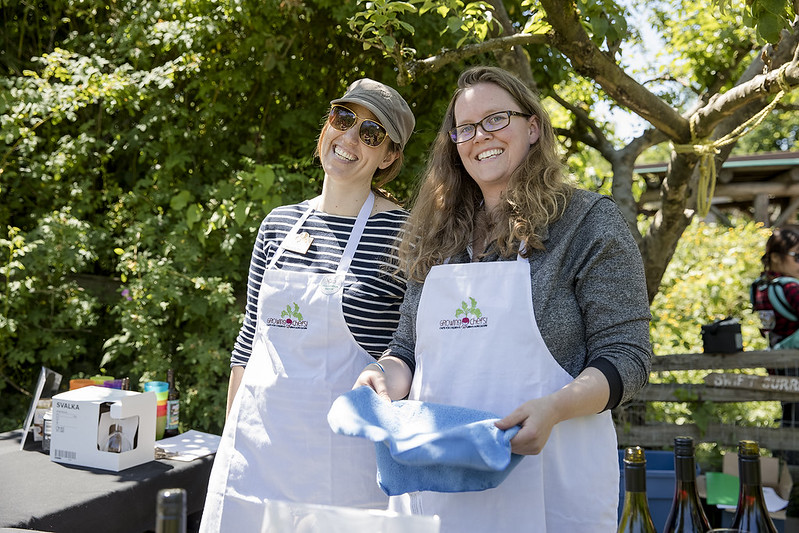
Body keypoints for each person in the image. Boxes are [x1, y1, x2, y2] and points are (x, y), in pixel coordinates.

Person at [353, 66, 652, 532]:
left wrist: (555, 407)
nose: (480, 136)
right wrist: (381, 377)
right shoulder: (436, 235)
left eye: (496, 119)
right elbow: (406, 349)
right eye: (466, 128)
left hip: (550, 486)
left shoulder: (588, 223)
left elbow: (627, 358)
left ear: (532, 128)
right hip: (439, 492)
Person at [200, 78, 415, 532]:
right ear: (326, 126)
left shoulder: (408, 237)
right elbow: (249, 340)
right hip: (254, 461)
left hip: (345, 471)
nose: (351, 138)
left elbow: (412, 350)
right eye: (343, 119)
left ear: (389, 156)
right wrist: (229, 440)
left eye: (372, 133)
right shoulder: (278, 224)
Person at [751, 225, 799, 432]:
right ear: (777, 257)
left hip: (780, 367)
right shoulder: (790, 288)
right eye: (796, 255)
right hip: (795, 363)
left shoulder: (759, 287)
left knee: (791, 416)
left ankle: (787, 461)